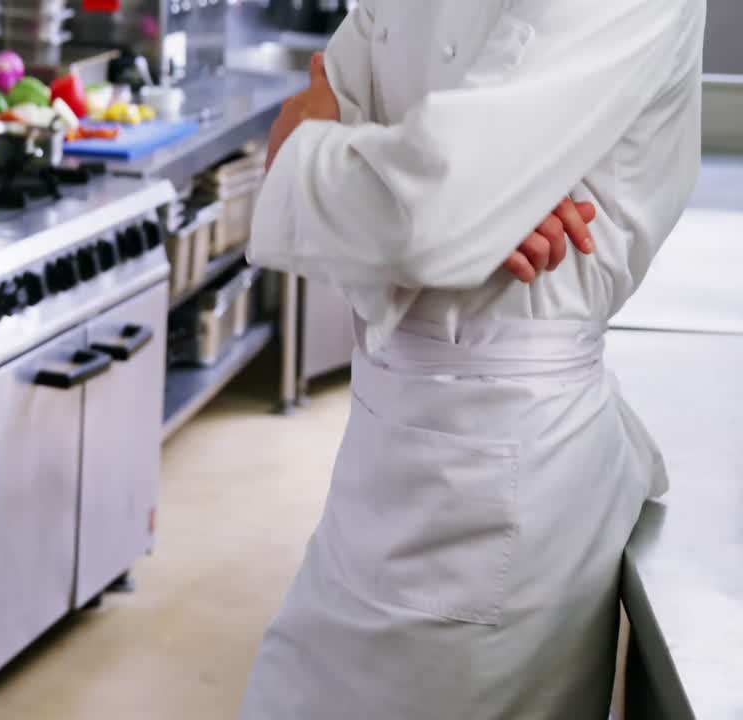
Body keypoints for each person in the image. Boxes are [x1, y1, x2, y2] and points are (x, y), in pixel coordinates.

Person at [241, 0, 704, 717]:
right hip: (375, 454)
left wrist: (371, 168)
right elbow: (336, 154)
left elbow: (429, 209)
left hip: (506, 481)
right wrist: (431, 196)